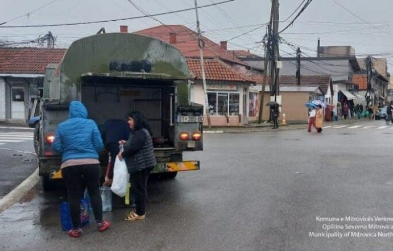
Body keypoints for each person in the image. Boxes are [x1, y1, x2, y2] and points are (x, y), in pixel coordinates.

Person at [52, 101, 110, 238]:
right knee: (94, 192)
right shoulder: (90, 123)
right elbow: (99, 144)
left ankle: (76, 229)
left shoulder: (62, 126)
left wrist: (68, 152)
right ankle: (101, 223)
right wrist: (90, 152)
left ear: (70, 112)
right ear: (84, 111)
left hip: (70, 164)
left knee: (74, 196)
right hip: (91, 163)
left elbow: (56, 147)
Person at [118, 111, 157, 221]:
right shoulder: (138, 132)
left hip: (142, 165)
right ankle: (140, 210)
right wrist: (125, 143)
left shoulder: (140, 132)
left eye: (130, 119)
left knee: (139, 189)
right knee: (140, 188)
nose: (128, 122)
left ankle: (140, 213)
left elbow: (135, 148)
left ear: (136, 120)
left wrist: (122, 154)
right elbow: (134, 144)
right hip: (141, 165)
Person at [101, 119, 130, 186]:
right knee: (116, 160)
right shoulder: (124, 124)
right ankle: (111, 179)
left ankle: (110, 179)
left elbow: (102, 137)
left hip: (110, 142)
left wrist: (106, 146)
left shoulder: (105, 125)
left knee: (114, 160)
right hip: (119, 143)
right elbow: (128, 136)